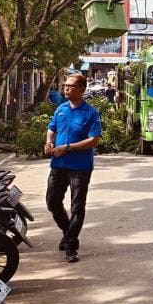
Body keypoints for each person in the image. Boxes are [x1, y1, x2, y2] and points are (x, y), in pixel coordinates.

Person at [44, 73, 102, 263]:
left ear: (82, 89)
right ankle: (68, 232)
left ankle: (71, 245)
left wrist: (68, 147)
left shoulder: (90, 113)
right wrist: (49, 142)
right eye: (65, 86)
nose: (66, 89)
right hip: (58, 164)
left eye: (71, 86)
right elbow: (51, 128)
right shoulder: (60, 109)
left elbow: (94, 139)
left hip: (80, 167)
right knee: (52, 202)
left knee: (77, 206)